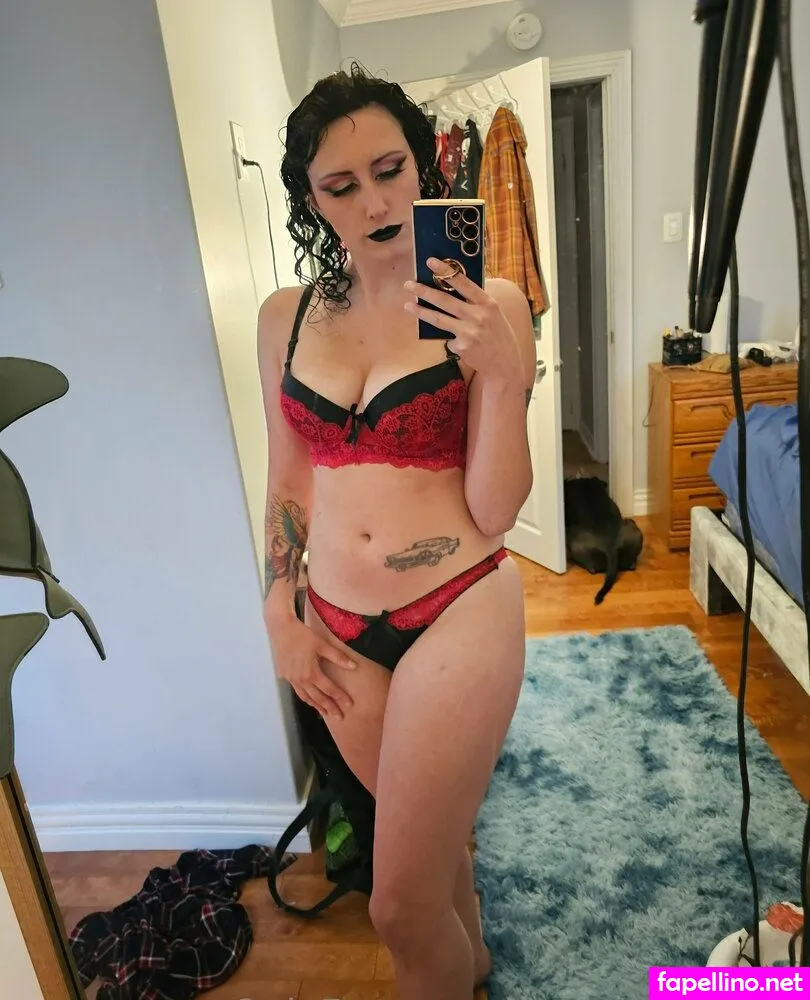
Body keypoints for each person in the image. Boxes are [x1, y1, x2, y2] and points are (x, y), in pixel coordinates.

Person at [257, 63, 537, 1000]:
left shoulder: (489, 307)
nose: (374, 203)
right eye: (341, 186)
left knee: (398, 908)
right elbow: (287, 479)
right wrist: (279, 614)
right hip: (338, 626)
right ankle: (476, 963)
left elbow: (497, 509)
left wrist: (503, 374)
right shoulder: (285, 319)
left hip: (458, 605)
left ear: (424, 165)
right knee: (433, 844)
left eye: (390, 170)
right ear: (312, 200)